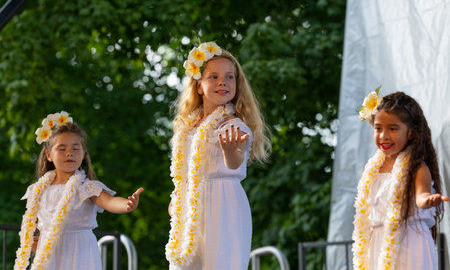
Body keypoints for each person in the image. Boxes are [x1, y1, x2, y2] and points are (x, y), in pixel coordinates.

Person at [165, 42, 271, 270]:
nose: (222, 81)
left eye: (229, 77)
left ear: (237, 84)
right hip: (193, 207)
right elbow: (184, 173)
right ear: (199, 86)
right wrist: (178, 196)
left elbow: (235, 163)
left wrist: (231, 153)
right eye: (213, 76)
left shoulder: (234, 126)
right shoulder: (188, 128)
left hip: (223, 204)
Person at [14, 111, 144, 270]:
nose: (69, 152)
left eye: (75, 148)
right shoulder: (38, 190)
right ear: (49, 155)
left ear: (83, 154)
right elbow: (28, 220)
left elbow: (109, 201)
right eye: (62, 148)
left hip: (80, 252)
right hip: (48, 254)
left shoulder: (86, 187)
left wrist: (127, 204)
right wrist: (29, 242)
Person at [353, 90, 449, 269]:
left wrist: (427, 200)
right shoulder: (373, 169)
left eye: (393, 128)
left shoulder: (417, 168)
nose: (384, 136)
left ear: (411, 132)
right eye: (378, 128)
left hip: (409, 246)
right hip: (379, 245)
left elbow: (422, 194)